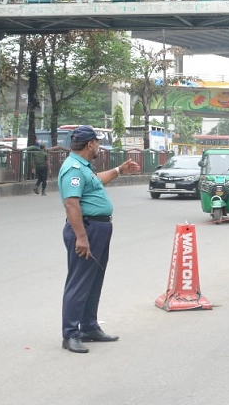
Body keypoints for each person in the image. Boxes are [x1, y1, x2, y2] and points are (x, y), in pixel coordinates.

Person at [59, 125, 143, 353]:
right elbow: (71, 203)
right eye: (97, 142)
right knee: (79, 282)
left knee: (94, 280)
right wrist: (81, 238)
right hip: (87, 230)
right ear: (89, 145)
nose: (99, 146)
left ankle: (88, 326)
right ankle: (70, 334)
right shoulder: (73, 168)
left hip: (99, 229)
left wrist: (119, 170)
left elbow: (96, 180)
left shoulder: (84, 168)